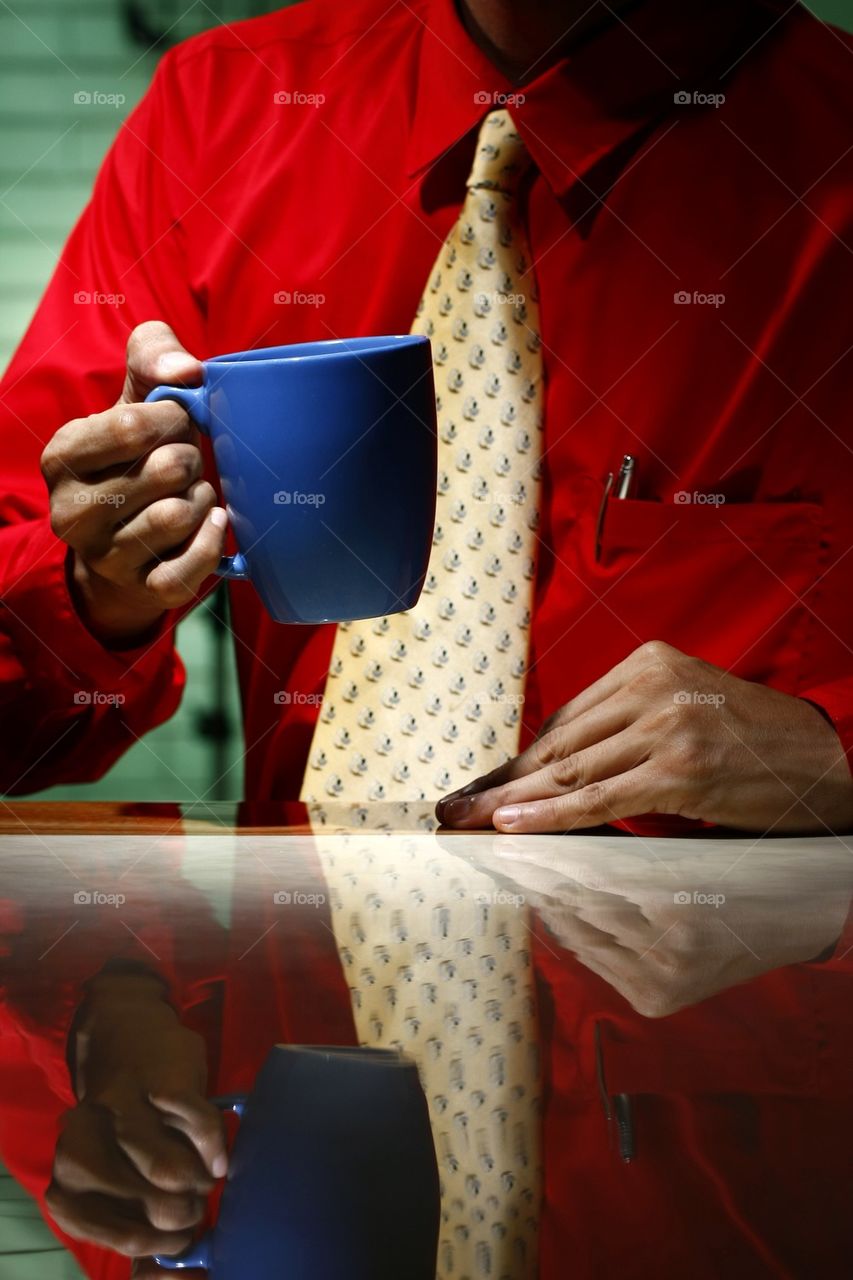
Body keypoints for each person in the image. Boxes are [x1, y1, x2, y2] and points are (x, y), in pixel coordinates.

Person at [1, 0, 852, 825]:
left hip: (750, 965)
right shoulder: (216, 111)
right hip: (297, 949)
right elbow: (20, 726)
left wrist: (837, 754)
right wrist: (97, 592)